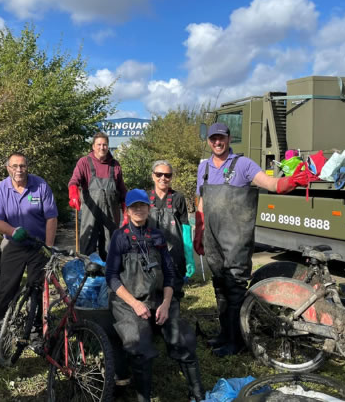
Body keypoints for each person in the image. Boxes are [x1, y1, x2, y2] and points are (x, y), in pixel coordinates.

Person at [194, 122, 306, 357]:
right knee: (220, 287)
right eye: (213, 138)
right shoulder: (203, 168)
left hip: (236, 239)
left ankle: (238, 341)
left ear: (229, 138)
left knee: (235, 289)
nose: (217, 142)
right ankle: (225, 334)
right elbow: (201, 203)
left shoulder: (243, 165)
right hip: (213, 239)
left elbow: (271, 183)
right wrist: (199, 232)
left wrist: (290, 181)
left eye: (221, 138)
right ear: (208, 141)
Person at [106, 189, 204, 402]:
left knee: (183, 339)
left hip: (157, 297)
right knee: (140, 346)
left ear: (148, 208)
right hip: (127, 301)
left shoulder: (157, 236)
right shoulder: (119, 237)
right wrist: (135, 305)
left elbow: (169, 274)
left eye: (142, 205)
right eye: (134, 206)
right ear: (128, 210)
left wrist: (167, 304)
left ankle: (198, 395)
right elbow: (112, 278)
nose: (139, 209)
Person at [0, 152, 58, 348]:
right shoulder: (0, 189)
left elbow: (51, 217)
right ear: (8, 167)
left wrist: (49, 247)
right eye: (15, 166)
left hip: (37, 246)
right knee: (6, 288)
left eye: (23, 166)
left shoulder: (40, 186)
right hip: (13, 245)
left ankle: (35, 331)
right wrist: (12, 230)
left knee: (38, 289)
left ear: (27, 167)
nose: (19, 170)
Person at [68, 132, 127, 261]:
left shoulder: (115, 165)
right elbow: (74, 181)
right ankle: (88, 275)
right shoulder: (84, 162)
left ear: (108, 146)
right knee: (87, 243)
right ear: (93, 146)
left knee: (110, 245)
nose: (102, 147)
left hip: (111, 216)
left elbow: (122, 190)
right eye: (99, 144)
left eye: (105, 145)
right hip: (91, 213)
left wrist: (126, 212)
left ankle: (110, 275)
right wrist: (73, 194)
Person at [146, 160, 195, 289]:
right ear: (153, 176)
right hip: (150, 253)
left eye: (167, 175)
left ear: (171, 177)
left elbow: (185, 227)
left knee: (174, 290)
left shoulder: (178, 198)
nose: (163, 178)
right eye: (159, 174)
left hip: (174, 254)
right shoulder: (145, 198)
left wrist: (189, 256)